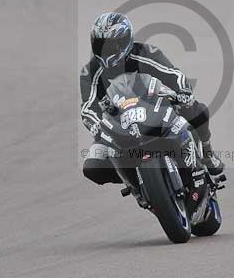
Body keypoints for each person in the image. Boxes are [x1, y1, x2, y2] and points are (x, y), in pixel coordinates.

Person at [80, 12, 224, 185]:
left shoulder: (146, 52)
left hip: (156, 108)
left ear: (124, 42)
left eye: (110, 45)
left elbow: (173, 75)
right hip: (119, 123)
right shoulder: (90, 72)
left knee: (197, 111)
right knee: (92, 167)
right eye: (100, 45)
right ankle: (136, 184)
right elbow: (88, 107)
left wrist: (183, 93)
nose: (105, 51)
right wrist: (96, 126)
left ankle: (207, 154)